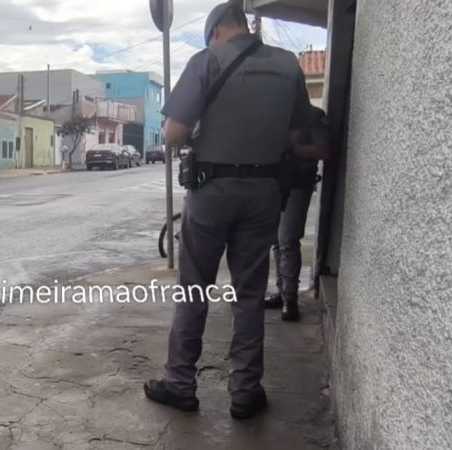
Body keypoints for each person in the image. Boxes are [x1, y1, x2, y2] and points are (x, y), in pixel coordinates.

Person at [143, 2, 312, 420]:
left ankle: (180, 384)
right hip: (265, 192)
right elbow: (298, 136)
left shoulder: (207, 61)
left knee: (194, 289)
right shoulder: (288, 65)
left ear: (216, 31)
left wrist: (203, 133)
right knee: (249, 295)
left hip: (212, 191)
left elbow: (173, 133)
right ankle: (245, 392)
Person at [265, 106, 332, 321]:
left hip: (297, 183)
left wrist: (292, 149)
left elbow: (324, 150)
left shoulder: (313, 116)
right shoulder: (276, 111)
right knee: (277, 241)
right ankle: (283, 293)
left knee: (287, 239)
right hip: (274, 182)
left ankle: (290, 300)